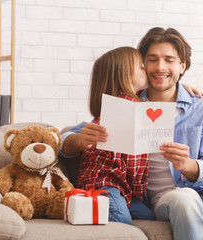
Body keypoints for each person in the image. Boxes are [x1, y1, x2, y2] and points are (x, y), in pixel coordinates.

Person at [61, 27, 203, 240]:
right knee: (185, 197)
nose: (160, 67)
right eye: (152, 60)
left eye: (169, 60)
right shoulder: (127, 104)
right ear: (142, 66)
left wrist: (189, 165)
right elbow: (66, 138)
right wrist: (77, 140)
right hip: (170, 199)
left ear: (182, 66)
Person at [75, 46, 153, 225]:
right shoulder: (130, 109)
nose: (146, 70)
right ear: (125, 75)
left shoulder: (114, 106)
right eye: (141, 67)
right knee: (120, 217)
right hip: (104, 183)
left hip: (118, 186)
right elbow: (135, 165)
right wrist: (140, 194)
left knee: (148, 216)